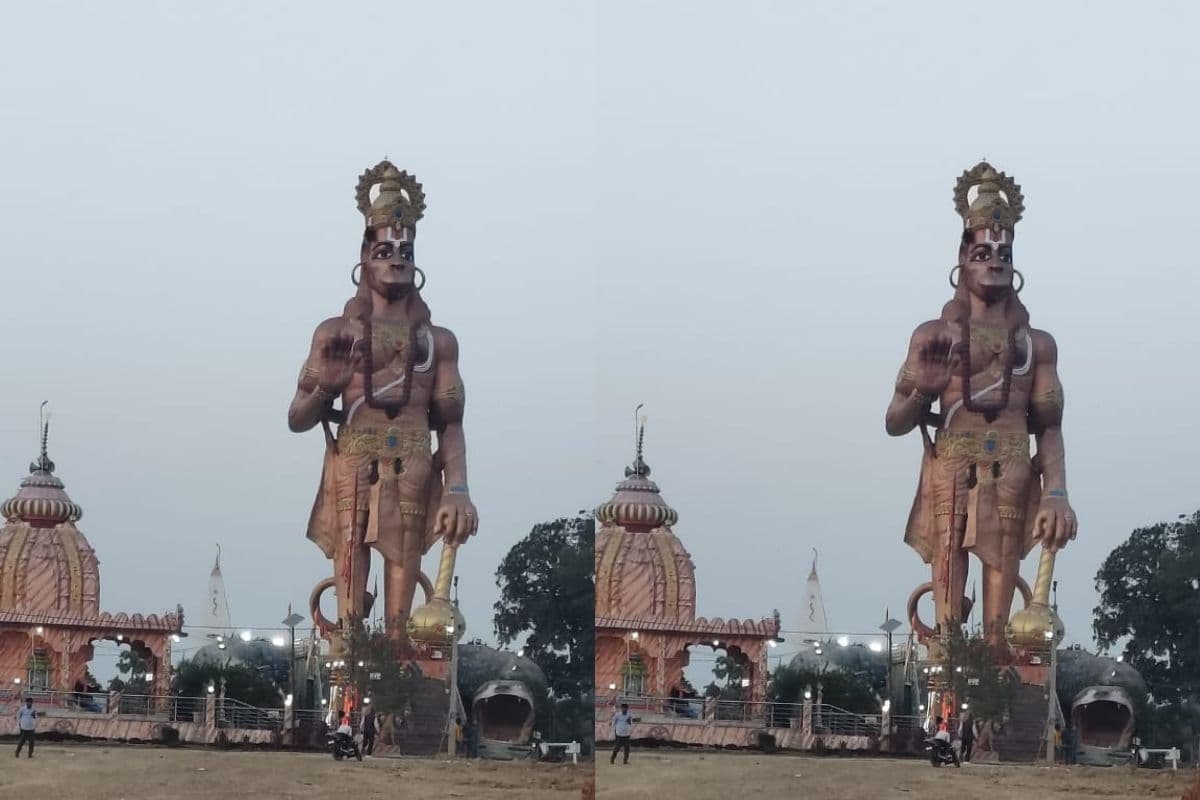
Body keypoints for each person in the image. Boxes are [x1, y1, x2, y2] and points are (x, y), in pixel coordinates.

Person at [290, 161, 478, 651]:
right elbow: (297, 419)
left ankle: (398, 671)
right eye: (384, 251)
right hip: (353, 461)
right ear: (364, 260)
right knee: (351, 575)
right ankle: (349, 664)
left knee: (402, 583)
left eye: (405, 252)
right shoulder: (335, 334)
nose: (396, 260)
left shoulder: (438, 342)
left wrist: (457, 489)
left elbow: (451, 424)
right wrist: (325, 389)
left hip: (413, 462)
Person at [888, 162, 1078, 649]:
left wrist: (1056, 492)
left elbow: (1049, 427)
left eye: (1004, 254)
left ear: (1015, 267)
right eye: (982, 253)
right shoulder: (933, 336)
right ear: (962, 262)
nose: (994, 262)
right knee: (948, 574)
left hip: (1012, 463)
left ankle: (996, 670)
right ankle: (947, 664)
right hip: (951, 462)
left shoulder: (1037, 344)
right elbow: (894, 422)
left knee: (1001, 574)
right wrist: (924, 391)